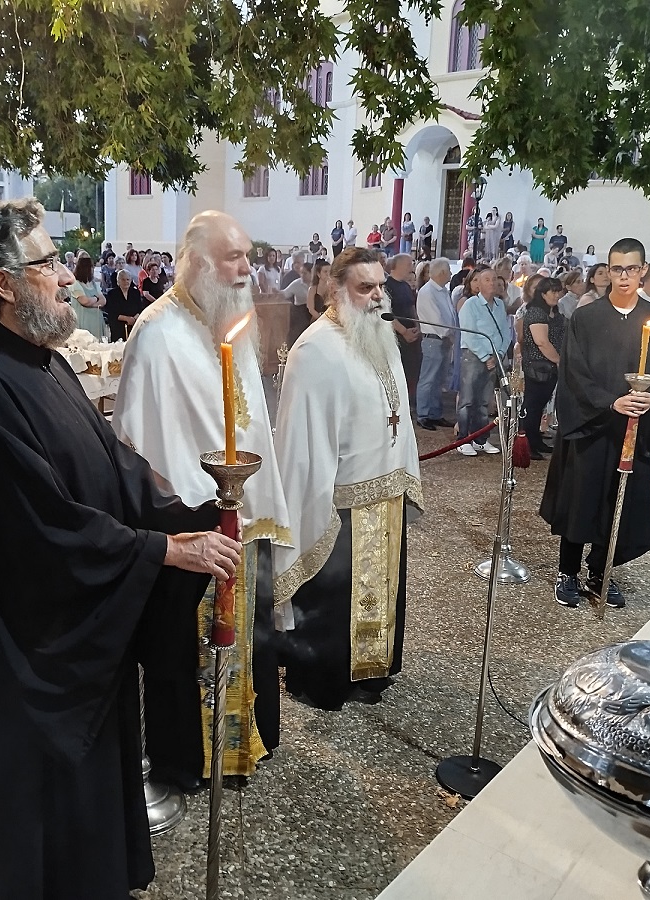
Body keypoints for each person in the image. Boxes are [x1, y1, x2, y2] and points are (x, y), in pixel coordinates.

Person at [0, 196, 240, 900]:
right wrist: (158, 553)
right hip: (23, 658)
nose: (69, 275)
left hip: (79, 638)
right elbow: (34, 527)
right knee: (30, 827)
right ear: (3, 284)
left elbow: (115, 470)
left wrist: (194, 515)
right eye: (49, 263)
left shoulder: (47, 365)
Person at [111, 209, 292, 784]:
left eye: (247, 257)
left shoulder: (229, 323)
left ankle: (245, 744)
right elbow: (138, 449)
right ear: (195, 261)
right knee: (188, 651)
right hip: (191, 527)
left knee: (249, 637)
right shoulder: (156, 335)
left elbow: (251, 424)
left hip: (244, 516)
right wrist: (181, 518)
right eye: (232, 257)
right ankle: (191, 759)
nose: (245, 269)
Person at [273, 246, 422, 710]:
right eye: (365, 287)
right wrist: (312, 501)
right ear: (335, 290)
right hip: (339, 505)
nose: (378, 296)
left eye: (381, 286)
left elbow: (399, 414)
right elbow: (302, 441)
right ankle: (325, 680)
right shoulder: (314, 350)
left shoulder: (378, 333)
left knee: (381, 592)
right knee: (335, 596)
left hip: (385, 492)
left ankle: (373, 673)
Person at [539, 238, 650, 610]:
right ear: (608, 271)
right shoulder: (586, 318)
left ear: (643, 270)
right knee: (581, 498)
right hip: (592, 425)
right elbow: (574, 374)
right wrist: (610, 401)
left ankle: (601, 570)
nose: (624, 276)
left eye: (631, 269)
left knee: (619, 498)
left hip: (631, 427)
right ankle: (568, 571)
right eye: (617, 269)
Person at [456, 266, 508, 456]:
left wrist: (499, 354)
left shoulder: (500, 305)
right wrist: (486, 356)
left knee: (484, 401)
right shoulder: (470, 305)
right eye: (487, 280)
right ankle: (463, 439)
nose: (492, 283)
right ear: (478, 284)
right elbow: (469, 334)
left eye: (494, 279)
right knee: (467, 400)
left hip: (494, 357)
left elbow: (505, 332)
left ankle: (480, 439)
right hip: (474, 356)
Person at [520, 277, 567, 460]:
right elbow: (541, 342)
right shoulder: (536, 313)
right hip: (538, 366)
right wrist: (559, 360)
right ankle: (526, 444)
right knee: (532, 406)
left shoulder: (554, 312)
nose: (557, 295)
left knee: (539, 405)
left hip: (550, 367)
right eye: (553, 291)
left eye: (558, 291)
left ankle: (535, 440)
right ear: (542, 293)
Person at [415, 258, 457, 430]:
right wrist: (449, 333)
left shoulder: (443, 291)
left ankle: (435, 413)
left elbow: (449, 314)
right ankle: (423, 415)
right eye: (449, 271)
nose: (451, 274)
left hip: (444, 340)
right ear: (442, 273)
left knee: (439, 380)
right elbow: (435, 319)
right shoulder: (427, 292)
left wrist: (452, 333)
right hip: (433, 339)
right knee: (428, 379)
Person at [385, 253, 421, 410]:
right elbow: (386, 314)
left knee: (412, 370)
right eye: (409, 264)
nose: (411, 268)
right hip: (396, 337)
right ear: (399, 265)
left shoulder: (406, 286)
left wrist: (417, 326)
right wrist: (404, 331)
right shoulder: (387, 286)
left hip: (411, 334)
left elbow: (412, 307)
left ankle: (409, 401)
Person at [65, 252, 107, 339]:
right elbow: (85, 301)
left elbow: (103, 301)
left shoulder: (93, 283)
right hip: (84, 321)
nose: (92, 270)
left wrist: (92, 303)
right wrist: (96, 299)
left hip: (96, 321)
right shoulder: (75, 283)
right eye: (91, 267)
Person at [104, 268, 144, 341]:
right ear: (118, 281)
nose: (126, 282)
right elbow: (112, 312)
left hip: (134, 325)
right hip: (118, 327)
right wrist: (126, 318)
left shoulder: (135, 292)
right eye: (123, 279)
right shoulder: (112, 294)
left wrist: (134, 319)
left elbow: (140, 308)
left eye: (128, 279)